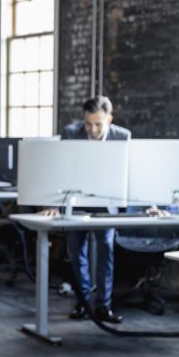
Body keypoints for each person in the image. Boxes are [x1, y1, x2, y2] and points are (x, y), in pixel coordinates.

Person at [60, 95, 131, 323]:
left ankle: (103, 307)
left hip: (107, 202)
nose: (92, 129)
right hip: (77, 202)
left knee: (106, 253)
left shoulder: (122, 137)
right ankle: (83, 303)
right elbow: (60, 168)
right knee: (77, 254)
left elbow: (130, 174)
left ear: (109, 119)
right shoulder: (71, 133)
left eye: (98, 124)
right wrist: (53, 204)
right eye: (88, 123)